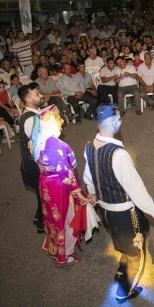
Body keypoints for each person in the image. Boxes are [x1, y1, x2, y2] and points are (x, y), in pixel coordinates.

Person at [83, 104, 154, 303]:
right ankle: (125, 291)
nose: (121, 121)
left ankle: (123, 261)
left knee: (119, 237)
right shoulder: (118, 155)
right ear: (112, 122)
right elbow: (137, 192)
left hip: (105, 210)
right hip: (125, 213)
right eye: (119, 118)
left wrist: (93, 193)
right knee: (137, 251)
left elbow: (88, 176)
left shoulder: (89, 145)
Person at [30, 105, 89, 267]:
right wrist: (80, 194)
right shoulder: (55, 145)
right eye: (58, 119)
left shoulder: (37, 139)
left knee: (52, 217)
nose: (61, 121)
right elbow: (66, 174)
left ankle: (56, 249)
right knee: (66, 217)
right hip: (59, 185)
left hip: (46, 182)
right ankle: (66, 255)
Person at [18, 83, 46, 232]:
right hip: (34, 163)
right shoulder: (30, 119)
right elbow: (35, 147)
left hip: (32, 161)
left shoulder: (33, 114)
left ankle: (38, 218)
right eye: (37, 94)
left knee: (41, 193)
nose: (41, 96)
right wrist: (42, 165)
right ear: (28, 100)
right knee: (44, 194)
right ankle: (42, 225)